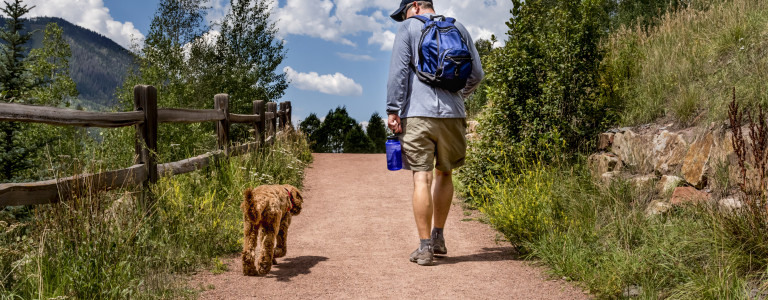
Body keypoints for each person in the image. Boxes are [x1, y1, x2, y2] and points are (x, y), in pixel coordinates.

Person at [386, 0, 484, 266]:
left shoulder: (408, 28)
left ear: (415, 5)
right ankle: (439, 237)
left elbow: (398, 74)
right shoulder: (459, 27)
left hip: (418, 113)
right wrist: (456, 96)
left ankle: (425, 247)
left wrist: (393, 111)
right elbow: (477, 74)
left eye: (404, 12)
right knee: (445, 173)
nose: (403, 18)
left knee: (421, 178)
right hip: (454, 114)